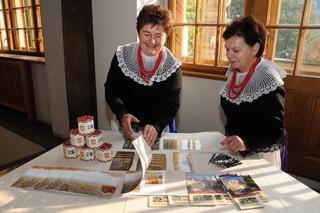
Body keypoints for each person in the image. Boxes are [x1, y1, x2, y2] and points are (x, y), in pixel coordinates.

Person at [105, 4, 182, 145]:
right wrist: (122, 115)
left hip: (156, 131)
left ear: (166, 36)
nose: (152, 41)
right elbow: (111, 90)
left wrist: (157, 126)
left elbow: (171, 105)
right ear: (138, 32)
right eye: (146, 34)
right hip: (124, 129)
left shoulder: (172, 66)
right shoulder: (122, 55)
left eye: (158, 35)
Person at [219, 16, 288, 171]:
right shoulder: (233, 71)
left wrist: (246, 142)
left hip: (261, 154)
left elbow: (275, 130)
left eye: (236, 50)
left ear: (255, 48)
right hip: (237, 152)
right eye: (227, 49)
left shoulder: (268, 78)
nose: (229, 55)